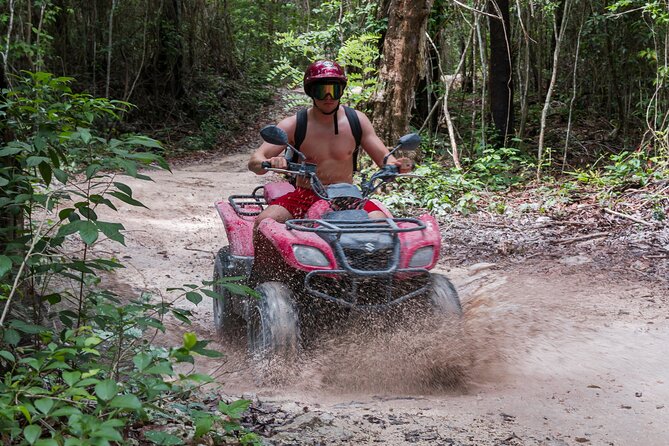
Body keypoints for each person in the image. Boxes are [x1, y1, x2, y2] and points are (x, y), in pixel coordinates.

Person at [248, 59, 412, 230]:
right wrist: (270, 162)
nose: (328, 97)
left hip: (347, 196)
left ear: (341, 91)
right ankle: (261, 258)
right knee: (265, 221)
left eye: (334, 90)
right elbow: (254, 161)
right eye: (322, 91)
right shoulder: (294, 124)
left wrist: (399, 165)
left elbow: (385, 159)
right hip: (305, 196)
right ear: (311, 92)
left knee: (382, 225)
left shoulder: (357, 121)